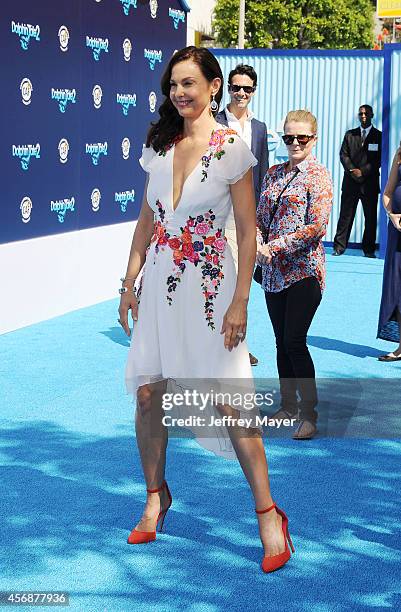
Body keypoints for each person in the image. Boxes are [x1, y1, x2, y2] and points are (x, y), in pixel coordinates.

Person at [118, 46, 294, 573]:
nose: (179, 93)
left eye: (189, 83)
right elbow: (148, 221)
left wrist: (242, 300)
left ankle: (268, 513)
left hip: (212, 291)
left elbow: (246, 228)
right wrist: (129, 280)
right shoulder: (159, 144)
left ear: (214, 86)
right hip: (159, 291)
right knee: (149, 394)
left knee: (231, 405)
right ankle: (155, 496)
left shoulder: (233, 148)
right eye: (174, 85)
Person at [256, 110, 333, 440]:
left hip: (304, 272)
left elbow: (316, 226)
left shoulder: (319, 176)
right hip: (273, 275)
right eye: (289, 138)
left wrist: (274, 247)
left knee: (294, 340)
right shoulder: (272, 174)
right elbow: (260, 218)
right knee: (279, 342)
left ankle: (309, 415)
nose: (296, 143)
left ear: (314, 139)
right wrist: (259, 242)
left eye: (302, 138)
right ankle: (287, 405)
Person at [216, 64, 269, 367]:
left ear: (253, 91)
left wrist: (260, 221)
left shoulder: (259, 128)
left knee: (241, 285)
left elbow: (260, 173)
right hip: (216, 214)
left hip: (245, 218)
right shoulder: (215, 122)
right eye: (235, 87)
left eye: (246, 89)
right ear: (228, 89)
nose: (240, 93)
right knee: (218, 282)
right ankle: (224, 344)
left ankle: (237, 344)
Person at [333, 105, 382, 258]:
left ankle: (368, 250)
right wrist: (353, 171)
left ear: (372, 115)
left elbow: (378, 159)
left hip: (369, 185)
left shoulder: (379, 136)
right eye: (360, 114)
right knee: (345, 217)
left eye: (366, 113)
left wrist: (363, 171)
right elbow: (343, 155)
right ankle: (339, 248)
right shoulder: (350, 135)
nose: (363, 116)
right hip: (350, 183)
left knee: (370, 218)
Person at [377, 143, 401, 361]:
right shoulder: (400, 154)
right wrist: (391, 214)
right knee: (398, 288)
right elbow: (387, 193)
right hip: (398, 233)